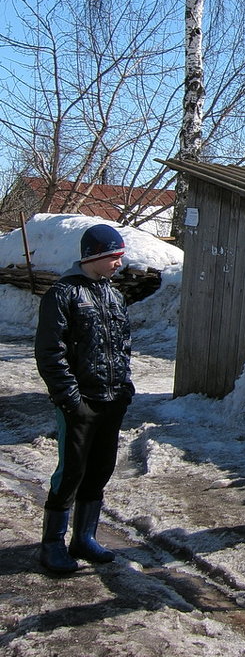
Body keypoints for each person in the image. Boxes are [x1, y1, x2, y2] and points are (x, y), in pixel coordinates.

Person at [35, 223, 135, 573]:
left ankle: (84, 537)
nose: (118, 264)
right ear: (94, 256)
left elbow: (122, 344)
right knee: (71, 472)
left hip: (112, 399)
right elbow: (50, 352)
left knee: (100, 469)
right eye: (114, 257)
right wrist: (69, 398)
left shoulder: (113, 295)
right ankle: (52, 545)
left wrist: (125, 387)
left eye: (120, 257)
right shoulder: (63, 294)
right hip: (80, 401)